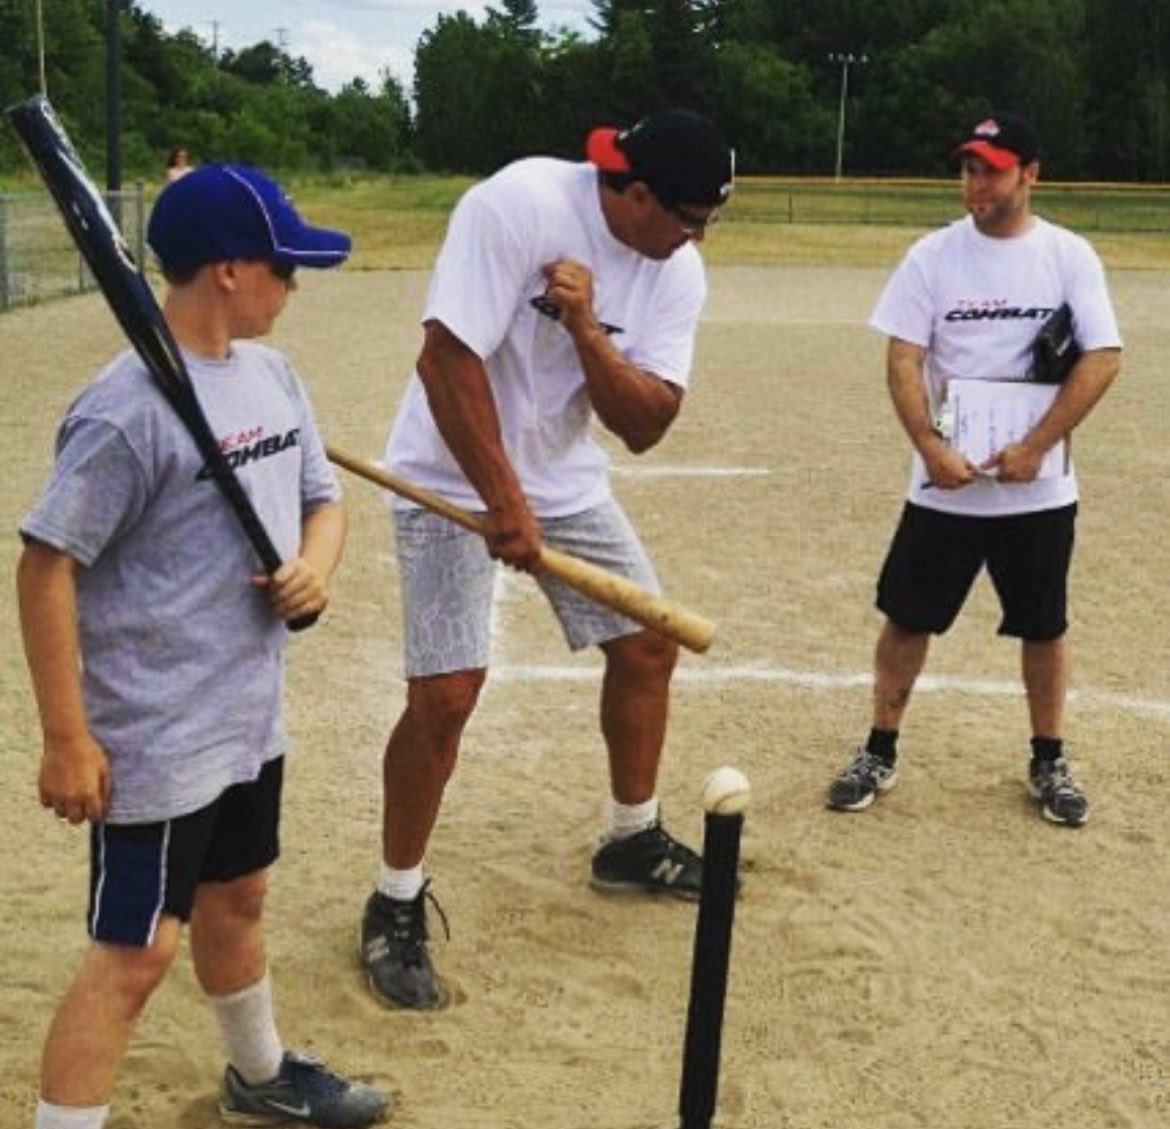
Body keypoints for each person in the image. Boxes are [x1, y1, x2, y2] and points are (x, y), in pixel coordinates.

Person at [17, 165, 389, 1128]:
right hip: (156, 731)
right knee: (136, 952)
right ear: (228, 269)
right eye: (284, 266)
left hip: (246, 712)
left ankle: (259, 1074)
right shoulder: (126, 408)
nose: (294, 285)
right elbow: (45, 566)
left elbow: (323, 498)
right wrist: (68, 737)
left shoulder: (271, 375)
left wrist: (316, 564)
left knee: (241, 896)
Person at [359, 107, 735, 1009]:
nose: (693, 238)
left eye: (707, 222)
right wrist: (502, 503)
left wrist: (585, 330)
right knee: (446, 692)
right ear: (631, 190)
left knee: (648, 644)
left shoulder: (676, 271)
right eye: (684, 216)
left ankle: (630, 838)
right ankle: (393, 899)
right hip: (447, 473)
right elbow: (444, 360)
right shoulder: (518, 204)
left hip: (564, 483)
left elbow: (645, 424)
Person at [826, 111, 1122, 828]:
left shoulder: (1068, 256)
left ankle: (1049, 757)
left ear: (1031, 173)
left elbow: (1102, 357)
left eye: (991, 167)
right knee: (907, 617)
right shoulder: (932, 256)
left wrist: (1035, 446)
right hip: (946, 487)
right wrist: (930, 445)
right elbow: (904, 357)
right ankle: (879, 746)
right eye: (967, 167)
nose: (975, 181)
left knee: (1044, 624)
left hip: (1039, 489)